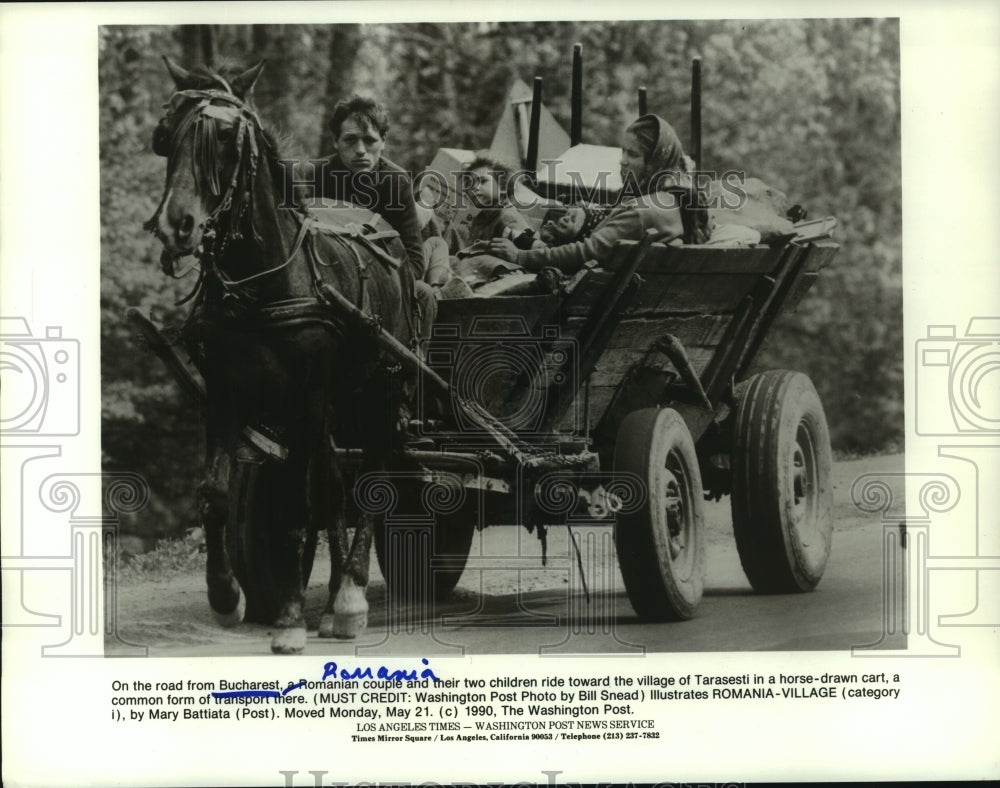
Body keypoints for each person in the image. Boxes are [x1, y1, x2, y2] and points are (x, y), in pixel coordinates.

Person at [488, 114, 709, 273]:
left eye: (632, 154)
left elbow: (587, 253)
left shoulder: (642, 211)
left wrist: (521, 256)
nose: (622, 161)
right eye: (623, 151)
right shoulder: (682, 201)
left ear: (654, 161)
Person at [318, 95, 437, 340]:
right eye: (350, 139)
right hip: (325, 281)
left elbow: (415, 262)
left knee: (424, 293)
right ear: (335, 141)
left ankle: (414, 361)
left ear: (383, 141)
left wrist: (369, 280)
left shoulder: (396, 182)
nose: (361, 150)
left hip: (379, 285)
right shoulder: (314, 175)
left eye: (370, 140)